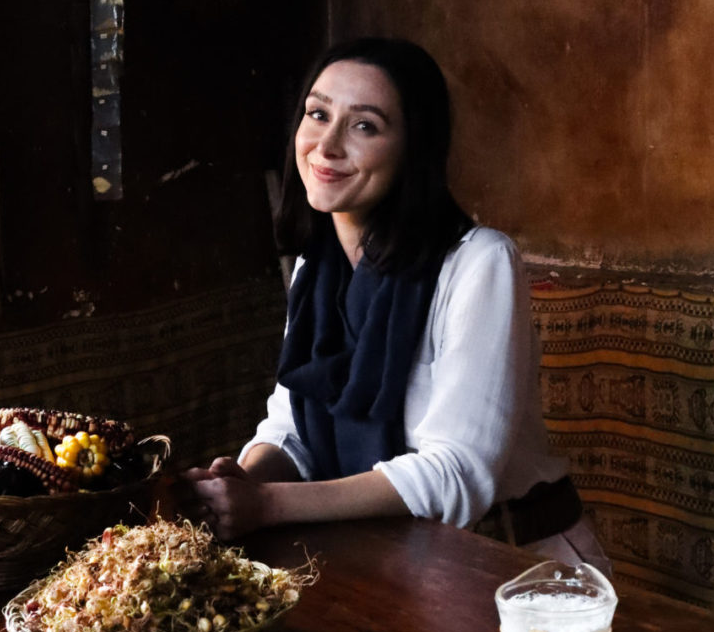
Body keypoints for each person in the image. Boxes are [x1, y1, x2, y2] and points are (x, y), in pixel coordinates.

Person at [185, 36, 597, 557]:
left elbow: (457, 474)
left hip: (511, 562)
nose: (327, 146)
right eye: (318, 115)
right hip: (387, 561)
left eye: (364, 126)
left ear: (413, 148)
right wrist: (242, 481)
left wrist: (266, 504)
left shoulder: (478, 263)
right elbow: (292, 426)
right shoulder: (317, 268)